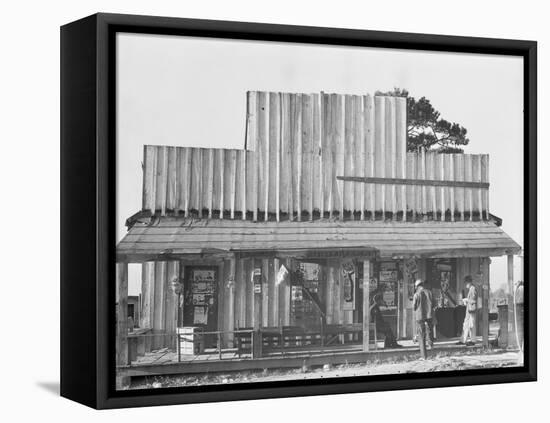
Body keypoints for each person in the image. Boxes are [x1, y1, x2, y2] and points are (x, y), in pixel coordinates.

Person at [458, 275, 478, 346]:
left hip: (471, 310)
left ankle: (473, 340)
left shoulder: (473, 289)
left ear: (469, 282)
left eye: (466, 283)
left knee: (471, 325)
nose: (465, 284)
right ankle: (463, 339)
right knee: (466, 325)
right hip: (469, 310)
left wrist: (466, 300)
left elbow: (474, 300)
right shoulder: (471, 289)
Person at [413, 279, 430, 359]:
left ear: (418, 286)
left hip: (419, 317)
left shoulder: (416, 294)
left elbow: (414, 307)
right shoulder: (426, 293)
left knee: (421, 336)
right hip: (425, 316)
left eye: (416, 286)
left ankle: (423, 356)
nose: (415, 288)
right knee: (424, 335)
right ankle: (424, 355)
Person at [422, 280, 435, 349]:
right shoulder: (430, 292)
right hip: (429, 314)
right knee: (430, 329)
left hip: (422, 314)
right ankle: (430, 344)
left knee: (422, 329)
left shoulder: (421, 293)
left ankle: (422, 345)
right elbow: (434, 304)